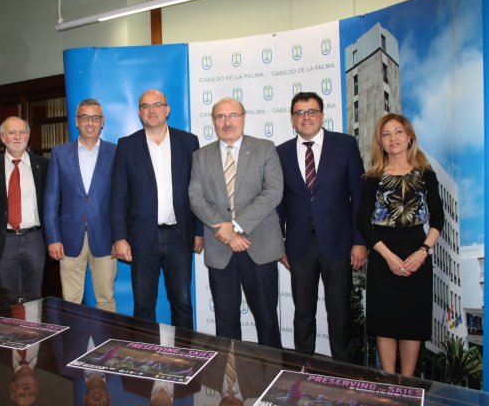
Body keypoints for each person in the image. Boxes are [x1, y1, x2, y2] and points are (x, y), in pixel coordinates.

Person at [276, 91, 367, 362]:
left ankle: (344, 370)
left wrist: (360, 241)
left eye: (312, 111)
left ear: (322, 115)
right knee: (303, 314)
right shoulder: (281, 152)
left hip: (339, 244)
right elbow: (279, 202)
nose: (306, 117)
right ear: (292, 119)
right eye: (299, 113)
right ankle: (303, 370)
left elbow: (359, 198)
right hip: (298, 246)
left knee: (340, 314)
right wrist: (279, 243)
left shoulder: (345, 145)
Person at [188, 97, 284, 348]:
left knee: (267, 322)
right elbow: (195, 198)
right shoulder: (201, 156)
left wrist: (237, 226)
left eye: (233, 115)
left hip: (259, 246)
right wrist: (228, 234)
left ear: (243, 118)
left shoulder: (265, 148)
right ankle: (229, 374)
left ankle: (272, 371)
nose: (227, 122)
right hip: (220, 249)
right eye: (221, 117)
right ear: (213, 121)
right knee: (225, 324)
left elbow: (273, 192)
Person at [357, 113, 443, 376]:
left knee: (411, 324)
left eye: (398, 132)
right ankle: (388, 382)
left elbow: (438, 219)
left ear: (409, 138)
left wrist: (424, 251)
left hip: (417, 252)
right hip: (382, 253)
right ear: (380, 143)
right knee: (385, 323)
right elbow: (362, 222)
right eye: (386, 134)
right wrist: (388, 256)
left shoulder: (426, 174)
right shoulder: (373, 177)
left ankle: (407, 384)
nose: (392, 138)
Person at [110, 89, 204, 330]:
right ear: (139, 112)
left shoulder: (188, 142)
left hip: (179, 236)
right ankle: (146, 352)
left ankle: (184, 352)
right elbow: (118, 196)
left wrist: (198, 231)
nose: (151, 110)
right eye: (145, 106)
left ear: (167, 109)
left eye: (157, 105)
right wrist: (120, 238)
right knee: (143, 306)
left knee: (182, 302)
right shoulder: (127, 145)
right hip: (142, 239)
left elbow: (198, 190)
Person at [44, 98, 118, 312]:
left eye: (95, 118)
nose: (90, 123)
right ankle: (73, 336)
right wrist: (53, 238)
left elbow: (123, 199)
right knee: (70, 301)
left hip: (105, 237)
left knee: (106, 299)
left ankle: (107, 336)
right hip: (68, 238)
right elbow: (50, 199)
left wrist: (120, 237)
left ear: (102, 122)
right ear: (76, 121)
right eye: (85, 117)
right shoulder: (60, 153)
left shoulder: (116, 152)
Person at [0, 116, 49, 296]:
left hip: (35, 239)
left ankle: (32, 317)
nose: (17, 137)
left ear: (28, 136)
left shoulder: (44, 165)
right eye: (12, 132)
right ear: (3, 137)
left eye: (22, 132)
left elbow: (52, 203)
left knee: (34, 296)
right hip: (4, 241)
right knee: (7, 297)